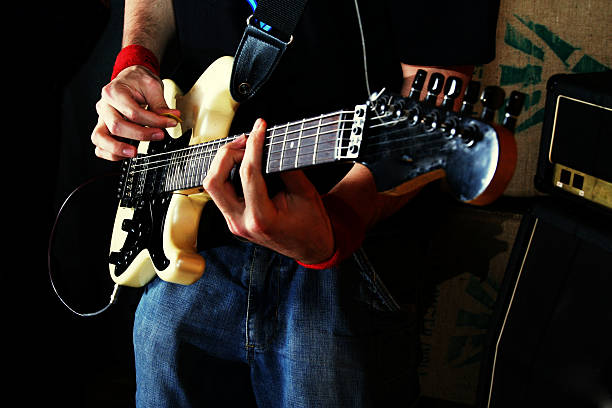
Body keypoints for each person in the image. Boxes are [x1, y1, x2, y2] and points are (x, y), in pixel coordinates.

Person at [91, 0, 500, 406]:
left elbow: (434, 90)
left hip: (343, 260)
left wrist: (337, 226)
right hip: (186, 235)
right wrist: (136, 62)